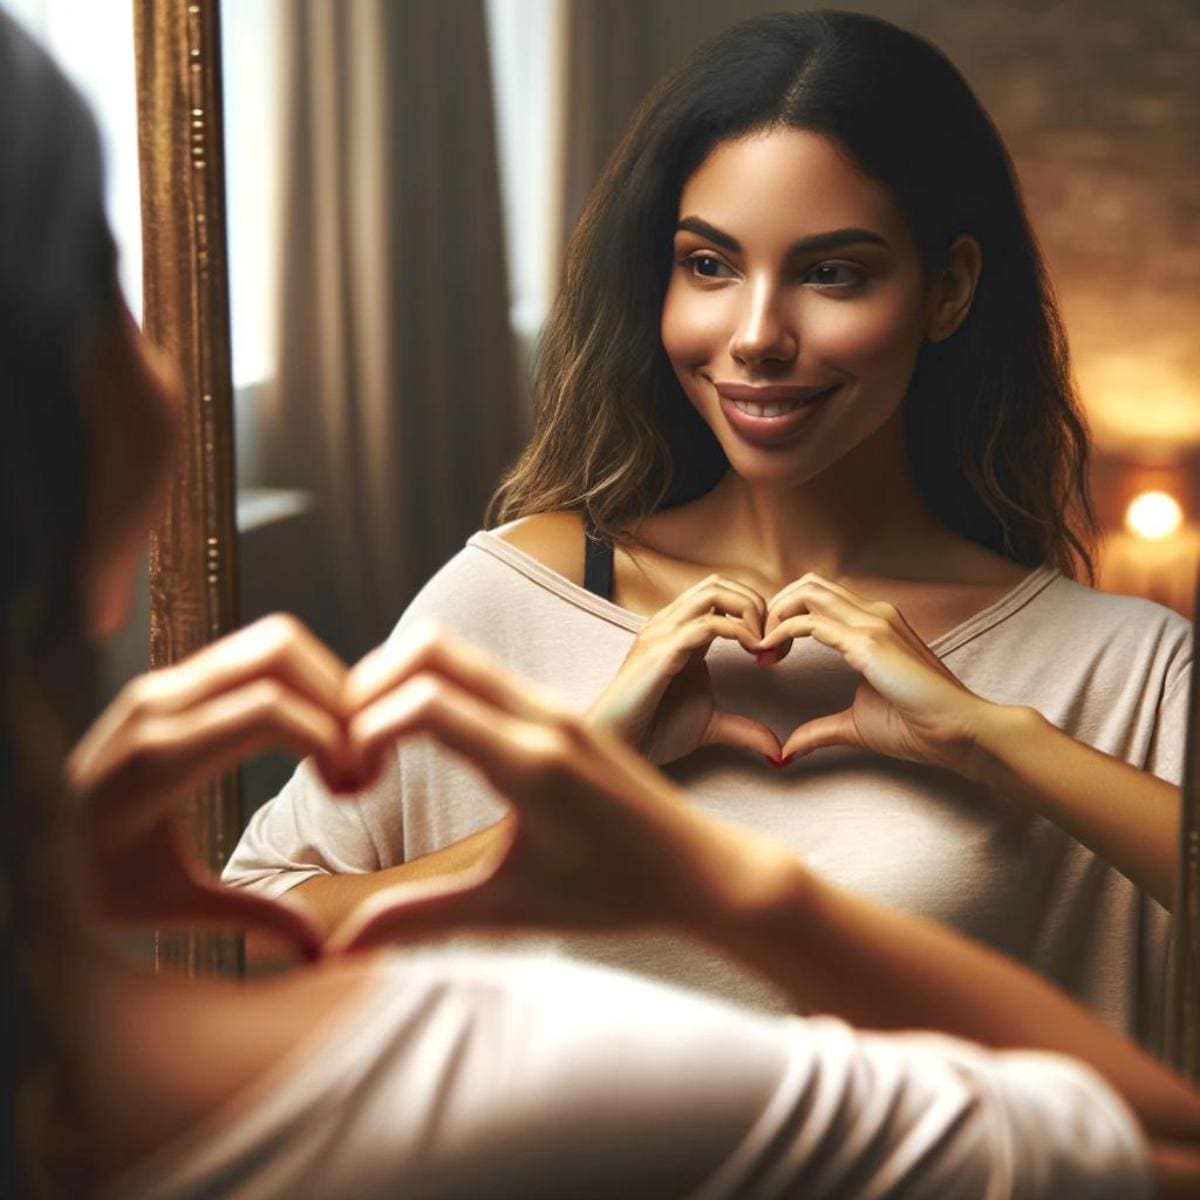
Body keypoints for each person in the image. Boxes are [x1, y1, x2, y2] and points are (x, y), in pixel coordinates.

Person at [3, 12, 1200, 1200]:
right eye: (709, 264)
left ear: (949, 290)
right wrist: (564, 825)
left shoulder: (1123, 666)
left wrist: (1002, 739)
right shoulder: (508, 594)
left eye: (833, 272)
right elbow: (249, 940)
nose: (757, 337)